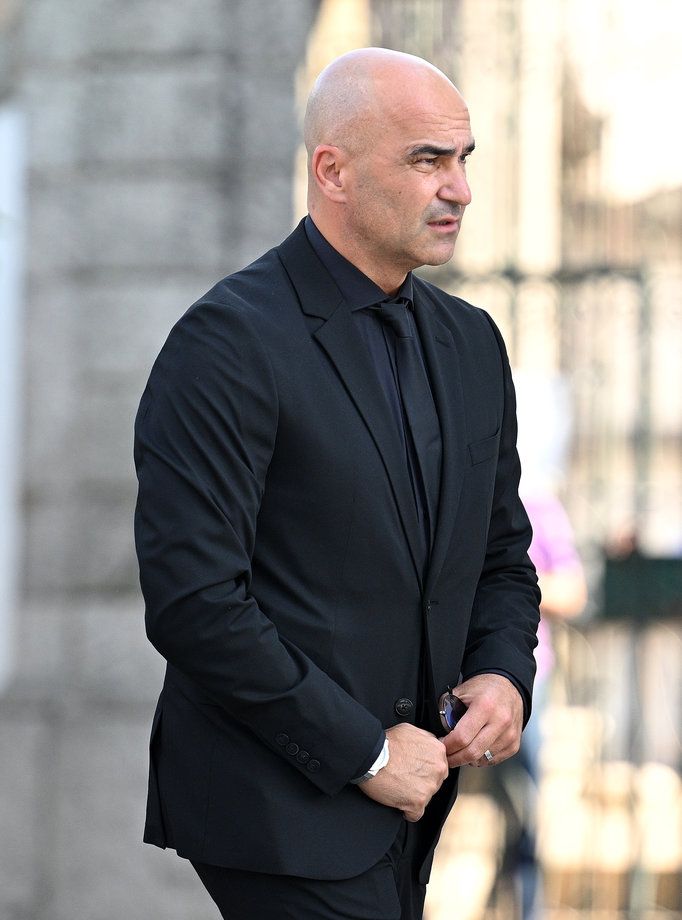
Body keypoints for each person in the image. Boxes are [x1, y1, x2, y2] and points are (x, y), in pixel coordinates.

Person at [134, 47, 540, 920]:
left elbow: (503, 554)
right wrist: (367, 753)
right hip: (275, 801)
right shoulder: (227, 342)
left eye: (462, 158)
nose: (460, 189)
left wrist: (504, 673)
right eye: (427, 159)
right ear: (334, 172)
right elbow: (194, 602)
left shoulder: (471, 343)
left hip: (413, 802)